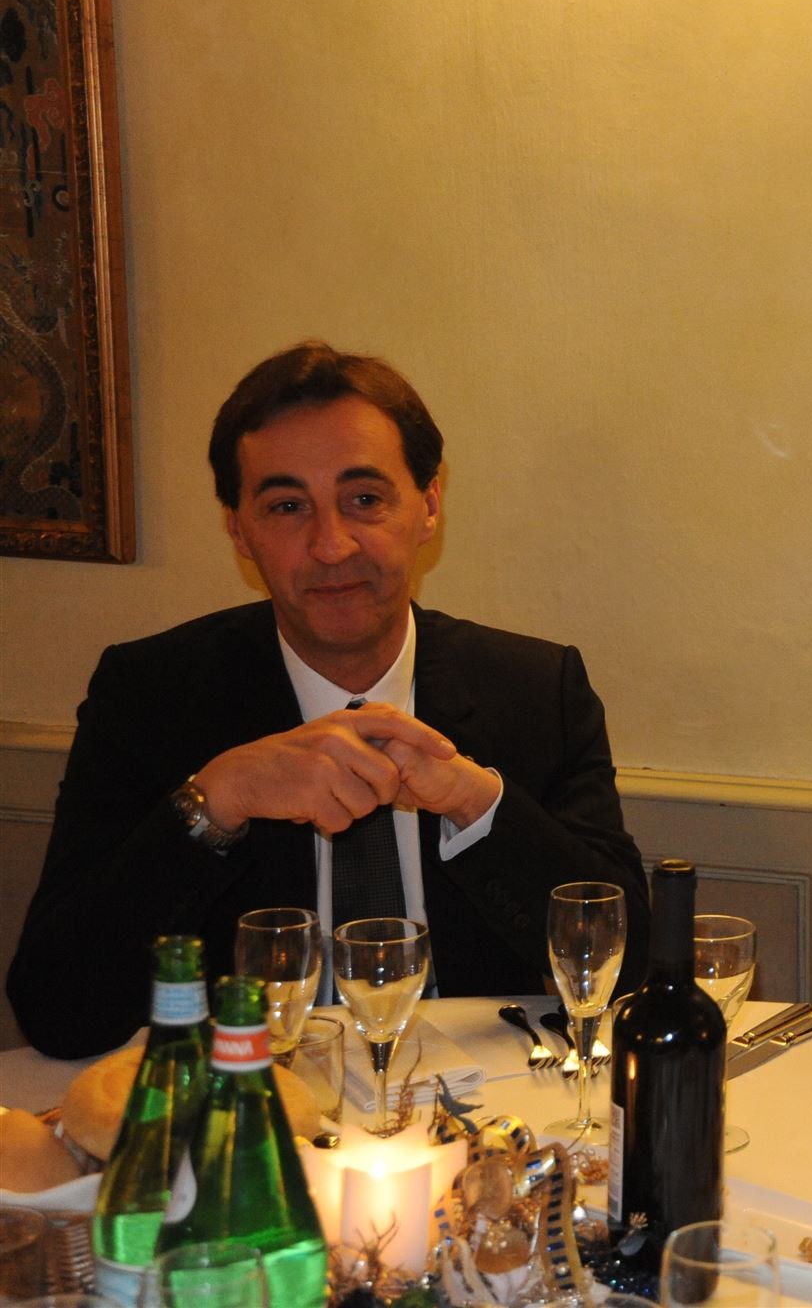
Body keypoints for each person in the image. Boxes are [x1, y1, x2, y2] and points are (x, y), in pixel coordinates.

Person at [7, 342, 650, 1058]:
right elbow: (58, 1013)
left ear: (428, 505)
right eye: (287, 507)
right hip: (255, 1102)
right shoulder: (151, 695)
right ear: (238, 528)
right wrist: (215, 804)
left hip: (482, 1106)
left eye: (364, 500)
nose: (332, 546)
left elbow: (631, 976)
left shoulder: (536, 689)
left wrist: (478, 806)